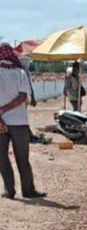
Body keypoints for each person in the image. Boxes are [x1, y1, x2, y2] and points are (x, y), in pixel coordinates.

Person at [0, 43, 45, 199]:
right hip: (19, 122)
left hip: (1, 123)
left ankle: (9, 191)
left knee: (2, 158)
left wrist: (1, 113)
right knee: (22, 158)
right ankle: (28, 191)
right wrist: (4, 109)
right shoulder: (20, 72)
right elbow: (22, 97)